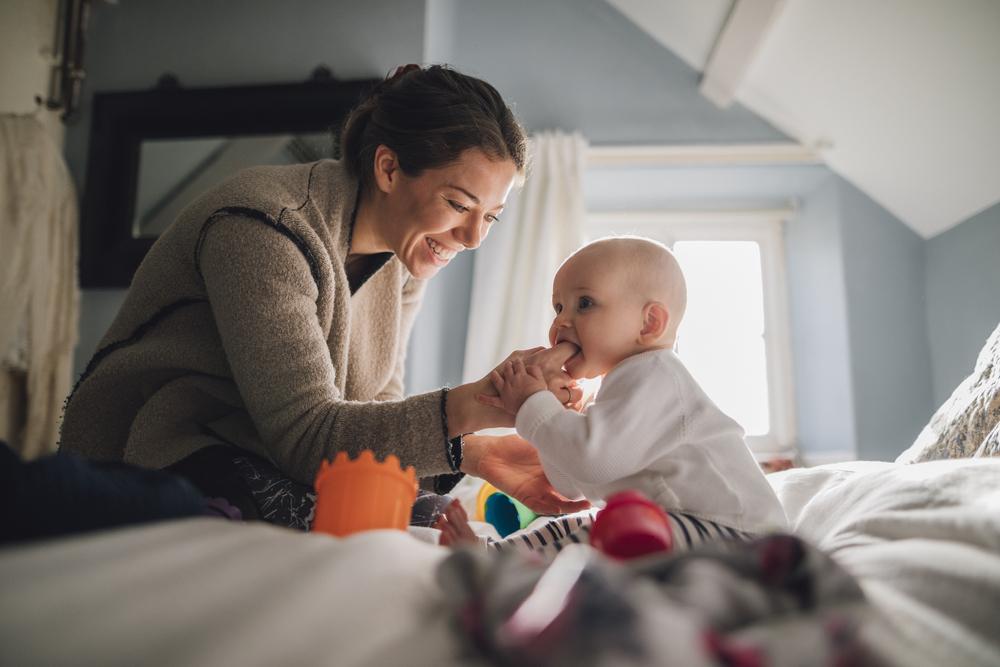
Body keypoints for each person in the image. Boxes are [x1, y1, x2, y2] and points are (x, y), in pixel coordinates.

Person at [59, 64, 587, 529]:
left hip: (263, 448)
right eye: (457, 203)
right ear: (388, 168)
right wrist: (482, 401)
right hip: (158, 450)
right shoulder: (262, 230)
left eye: (489, 218)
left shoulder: (404, 262)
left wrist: (473, 453)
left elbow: (371, 408)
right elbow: (309, 439)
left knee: (422, 516)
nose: (473, 238)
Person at [449, 236, 786, 555]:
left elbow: (593, 461)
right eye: (558, 307)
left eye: (584, 304)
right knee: (578, 524)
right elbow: (570, 482)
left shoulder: (655, 375)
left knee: (606, 531)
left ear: (649, 323)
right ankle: (495, 558)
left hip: (737, 536)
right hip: (684, 527)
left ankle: (507, 573)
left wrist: (534, 406)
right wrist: (560, 413)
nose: (562, 322)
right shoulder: (617, 389)